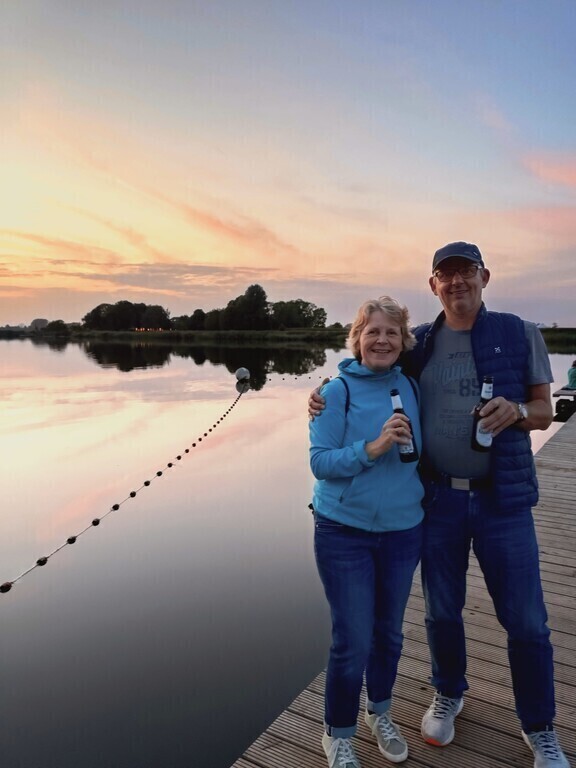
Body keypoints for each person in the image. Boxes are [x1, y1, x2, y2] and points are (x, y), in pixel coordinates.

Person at [309, 242, 571, 768]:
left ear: (484, 277)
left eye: (466, 272)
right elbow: (367, 363)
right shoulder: (421, 343)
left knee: (527, 621)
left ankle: (540, 728)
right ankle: (448, 694)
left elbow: (545, 410)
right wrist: (322, 390)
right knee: (442, 614)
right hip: (438, 501)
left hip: (503, 502)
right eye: (445, 275)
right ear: (433, 286)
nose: (457, 283)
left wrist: (518, 409)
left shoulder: (520, 333)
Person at [310, 296, 424, 767]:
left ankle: (380, 712)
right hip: (344, 531)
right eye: (372, 331)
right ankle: (338, 734)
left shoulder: (412, 387)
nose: (381, 340)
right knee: (351, 639)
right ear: (357, 338)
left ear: (403, 342)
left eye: (391, 332)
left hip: (403, 530)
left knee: (389, 636)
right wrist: (373, 447)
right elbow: (320, 463)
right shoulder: (336, 392)